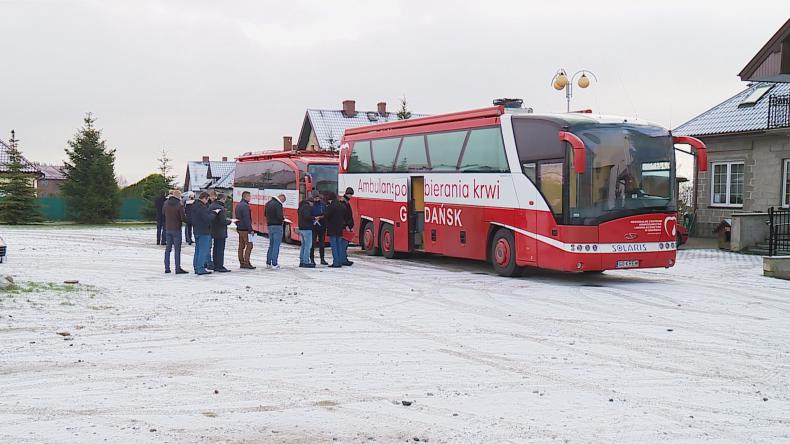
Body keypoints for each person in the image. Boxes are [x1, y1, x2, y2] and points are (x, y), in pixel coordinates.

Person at [163, 189, 188, 274]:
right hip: (176, 229)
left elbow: (163, 212)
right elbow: (183, 218)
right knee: (177, 250)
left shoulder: (166, 203)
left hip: (168, 228)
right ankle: (177, 268)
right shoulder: (179, 205)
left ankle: (167, 267)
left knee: (168, 249)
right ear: (178, 196)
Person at [191, 192, 214, 275]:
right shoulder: (202, 207)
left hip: (196, 230)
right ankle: (200, 268)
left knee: (197, 249)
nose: (207, 202)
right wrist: (213, 214)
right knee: (203, 250)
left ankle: (196, 267)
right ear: (204, 198)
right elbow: (207, 219)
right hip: (204, 231)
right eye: (207, 200)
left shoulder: (193, 205)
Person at [209, 193, 233, 273]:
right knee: (220, 249)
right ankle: (220, 266)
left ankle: (215, 265)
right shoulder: (221, 208)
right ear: (223, 199)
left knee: (215, 249)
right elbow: (222, 221)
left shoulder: (212, 205)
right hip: (220, 231)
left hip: (213, 230)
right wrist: (230, 221)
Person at [325, 192, 346, 268]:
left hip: (332, 228)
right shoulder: (341, 206)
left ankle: (336, 262)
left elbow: (326, 215)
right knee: (339, 246)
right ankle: (340, 261)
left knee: (334, 246)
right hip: (340, 228)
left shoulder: (331, 206)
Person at [265, 193, 285, 269]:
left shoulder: (268, 203)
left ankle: (268, 263)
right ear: (281, 198)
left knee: (271, 245)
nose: (282, 202)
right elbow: (279, 216)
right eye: (283, 200)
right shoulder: (278, 205)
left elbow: (265, 214)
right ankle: (274, 263)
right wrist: (283, 218)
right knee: (276, 245)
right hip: (277, 226)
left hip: (270, 226)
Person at [235, 191, 255, 269]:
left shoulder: (238, 205)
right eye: (249, 196)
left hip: (239, 228)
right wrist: (251, 229)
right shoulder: (245, 206)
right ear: (245, 197)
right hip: (245, 229)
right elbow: (247, 219)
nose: (250, 198)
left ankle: (241, 262)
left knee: (241, 246)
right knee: (250, 245)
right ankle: (246, 262)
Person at [310, 192, 328, 265]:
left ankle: (322, 259)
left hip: (322, 226)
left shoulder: (323, 205)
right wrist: (314, 218)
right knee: (312, 243)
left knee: (322, 244)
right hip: (313, 226)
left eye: (317, 198)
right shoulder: (311, 205)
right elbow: (309, 214)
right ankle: (312, 259)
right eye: (315, 198)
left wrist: (321, 217)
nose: (316, 199)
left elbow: (326, 214)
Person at [297, 195, 315, 268]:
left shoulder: (301, 207)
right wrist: (314, 218)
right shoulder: (307, 207)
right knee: (308, 246)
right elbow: (307, 216)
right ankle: (306, 261)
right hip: (307, 228)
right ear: (310, 202)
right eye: (312, 203)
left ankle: (302, 261)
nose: (313, 205)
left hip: (301, 228)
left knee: (303, 245)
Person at [340, 187, 355, 266]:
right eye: (350, 194)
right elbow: (344, 216)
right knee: (344, 244)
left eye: (351, 194)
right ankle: (343, 259)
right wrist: (346, 225)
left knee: (344, 244)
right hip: (345, 227)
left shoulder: (345, 202)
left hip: (346, 226)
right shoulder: (344, 203)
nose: (351, 196)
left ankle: (343, 258)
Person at [205, 190, 218, 270]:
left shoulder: (209, 204)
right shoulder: (208, 205)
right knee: (208, 246)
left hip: (211, 228)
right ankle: (208, 262)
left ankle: (207, 262)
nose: (213, 198)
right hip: (208, 228)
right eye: (211, 196)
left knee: (208, 246)